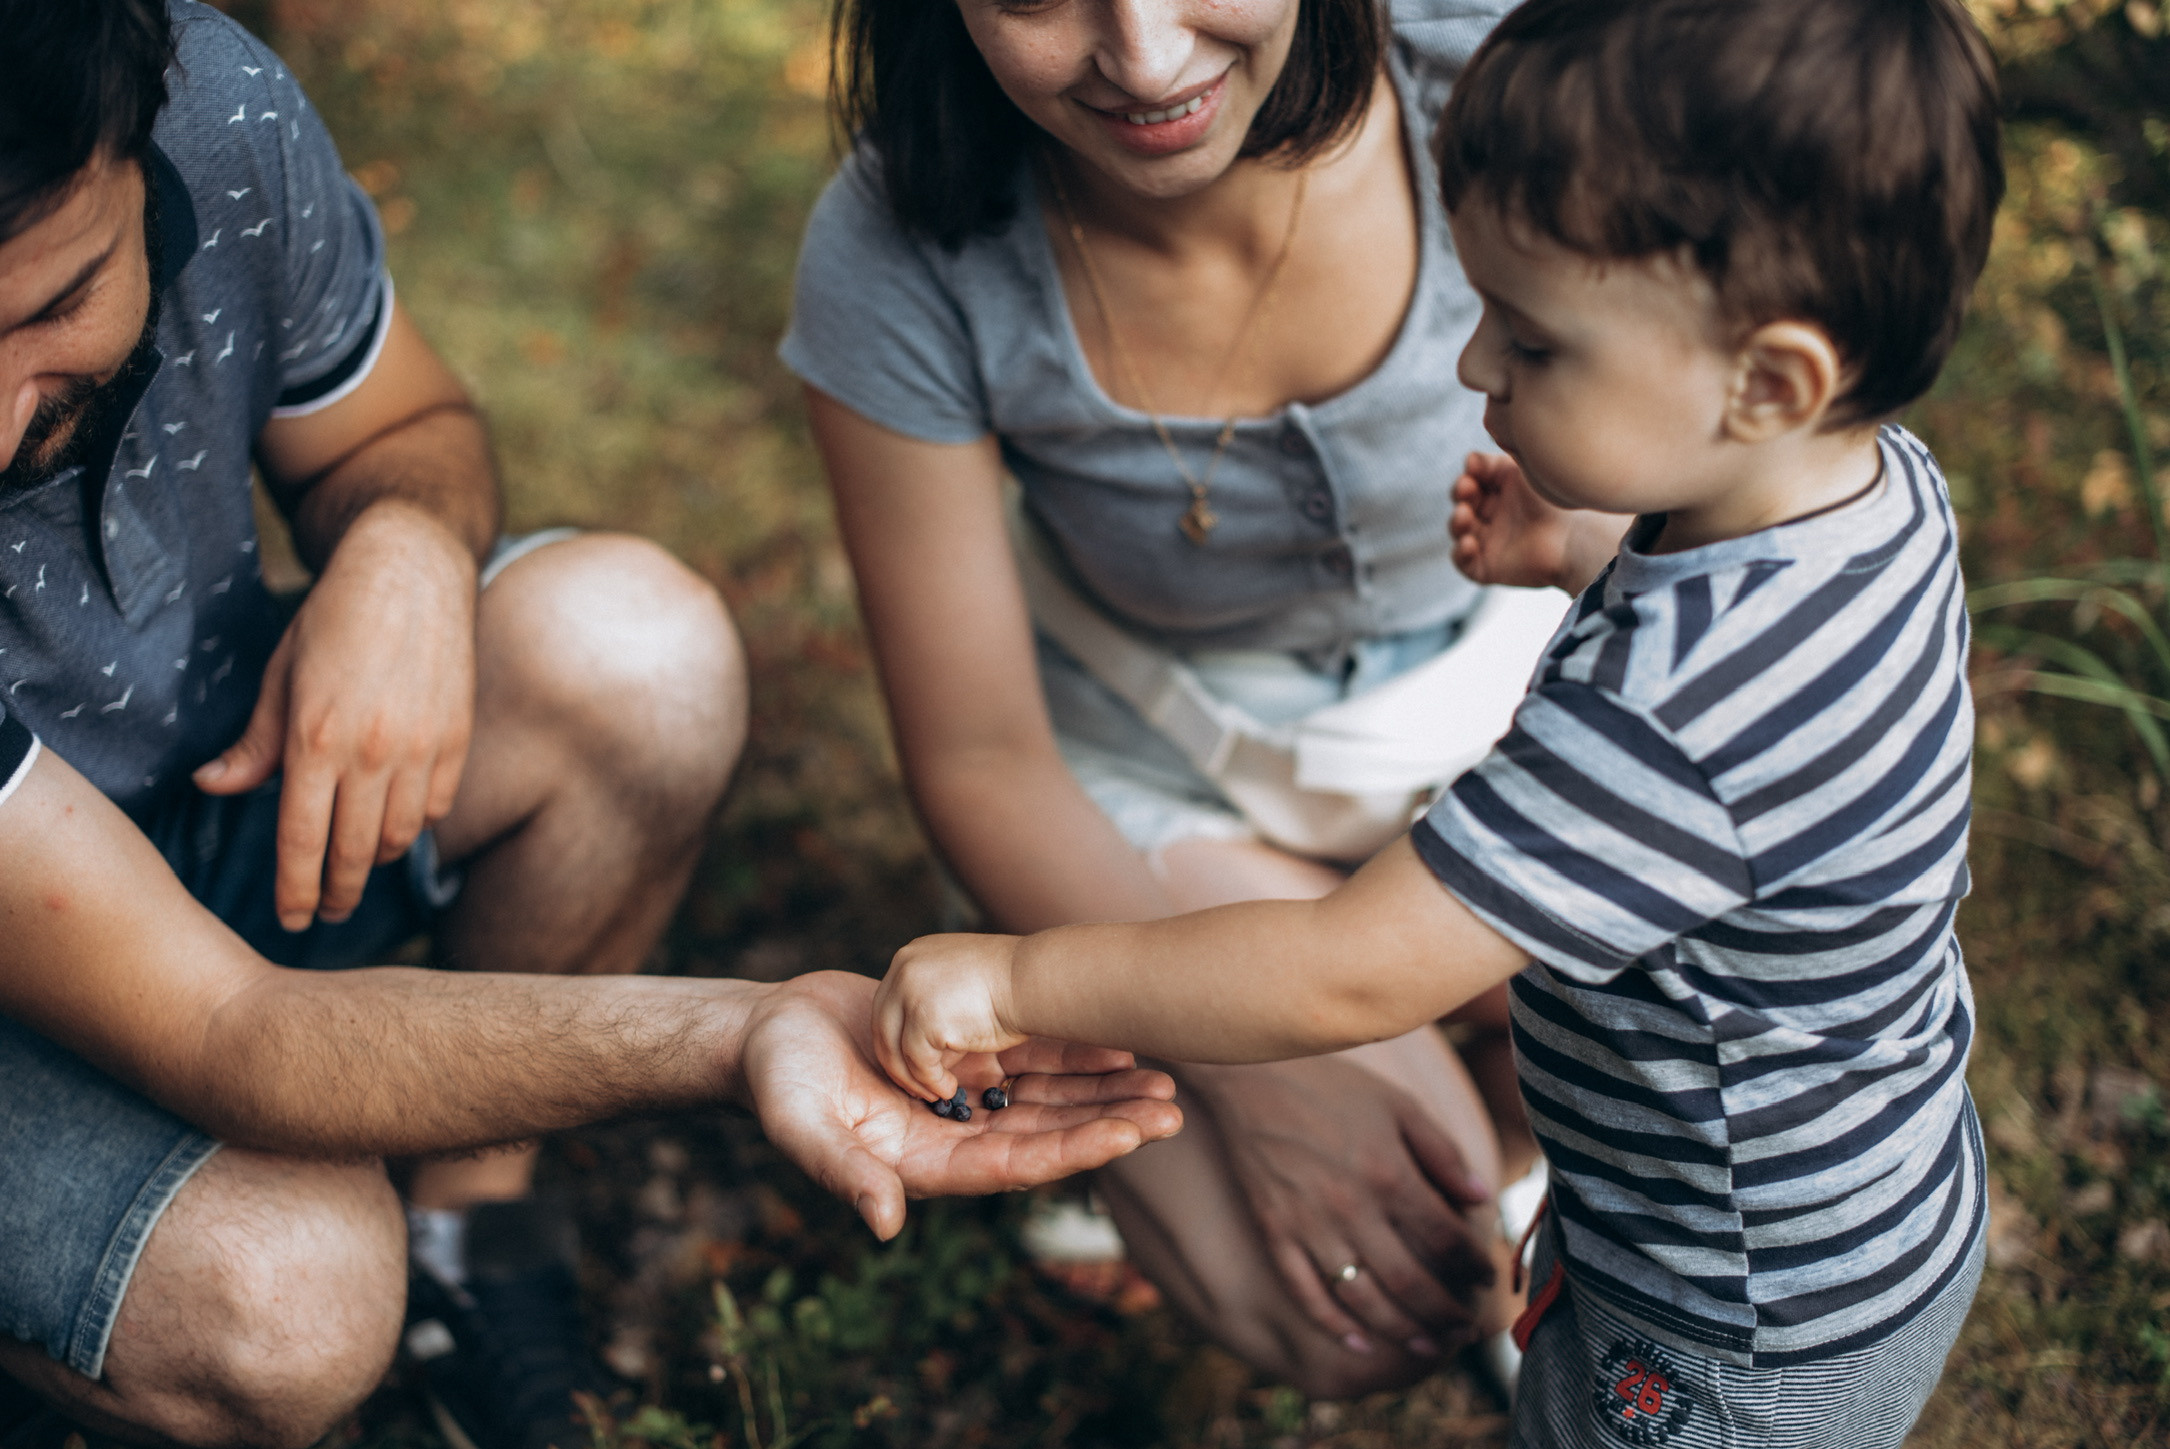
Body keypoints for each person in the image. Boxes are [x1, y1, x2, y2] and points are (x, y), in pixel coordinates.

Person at [0, 6, 1183, 1449]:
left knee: (640, 652)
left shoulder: (213, 103)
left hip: (175, 810)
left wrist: (407, 546)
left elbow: (400, 431)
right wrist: (748, 1031)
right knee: (288, 1290)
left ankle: (473, 1241)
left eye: (53, 306)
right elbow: (232, 1028)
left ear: (142, 137)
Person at [870, 0, 2004, 1442]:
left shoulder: (1659, 730)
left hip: (1722, 1315)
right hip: (1856, 1197)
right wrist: (1589, 551)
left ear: (1767, 381)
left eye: (1531, 344)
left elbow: (1346, 976)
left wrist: (1022, 983)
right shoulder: (1873, 493)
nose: (1474, 371)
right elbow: (1748, 672)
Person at [781, 0, 1548, 1397]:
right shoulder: (897, 242)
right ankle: (1412, 1031)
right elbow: (980, 758)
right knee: (1371, 1308)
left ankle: (1499, 1071)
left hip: (1514, 706)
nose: (1143, 58)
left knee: (1658, 1056)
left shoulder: (1511, 67)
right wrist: (1259, 1060)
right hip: (1169, 764)